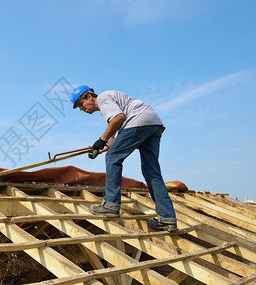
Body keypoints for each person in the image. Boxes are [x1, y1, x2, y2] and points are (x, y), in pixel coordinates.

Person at [71, 85, 178, 232]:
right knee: (151, 172)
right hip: (153, 123)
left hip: (138, 122)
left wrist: (101, 140)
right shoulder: (113, 103)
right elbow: (119, 134)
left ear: (89, 96)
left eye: (80, 104)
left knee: (113, 158)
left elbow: (118, 119)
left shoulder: (102, 98)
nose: (81, 109)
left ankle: (110, 205)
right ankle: (167, 219)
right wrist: (101, 148)